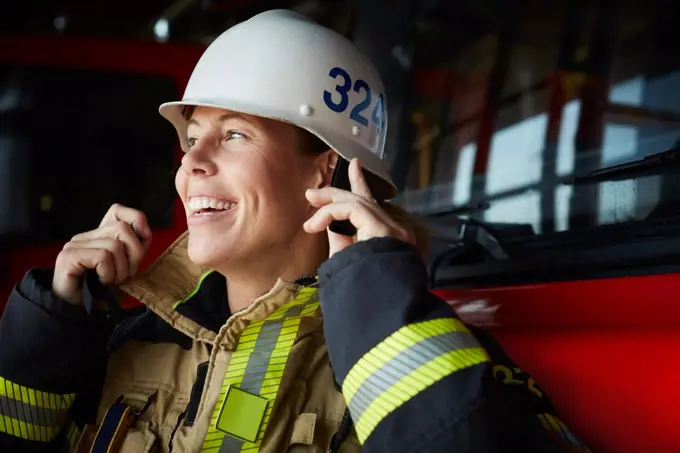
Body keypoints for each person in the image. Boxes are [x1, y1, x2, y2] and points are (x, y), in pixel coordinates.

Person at [0, 9, 589, 453]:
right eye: (192, 135)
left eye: (232, 135)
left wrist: (380, 314)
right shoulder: (126, 339)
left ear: (325, 168)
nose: (190, 161)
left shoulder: (421, 355)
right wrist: (45, 338)